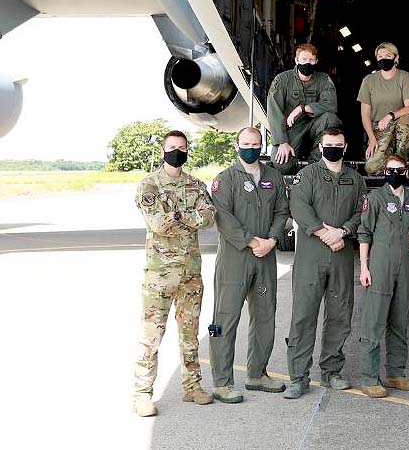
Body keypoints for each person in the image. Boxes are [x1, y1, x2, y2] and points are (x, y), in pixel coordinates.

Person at [132, 131, 217, 417]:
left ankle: (192, 387)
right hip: (160, 276)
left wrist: (179, 216)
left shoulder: (195, 184)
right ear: (163, 152)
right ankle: (143, 393)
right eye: (172, 147)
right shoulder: (149, 185)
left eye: (182, 147)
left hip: (190, 274)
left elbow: (208, 217)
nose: (177, 151)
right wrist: (187, 216)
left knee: (190, 335)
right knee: (151, 336)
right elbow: (158, 224)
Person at [208, 127, 290, 403]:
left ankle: (257, 373)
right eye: (246, 143)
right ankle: (222, 382)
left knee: (265, 315)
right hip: (235, 258)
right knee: (224, 318)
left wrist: (272, 239)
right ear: (237, 146)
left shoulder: (273, 177)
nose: (251, 148)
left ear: (262, 146)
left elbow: (282, 212)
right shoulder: (225, 179)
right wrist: (251, 241)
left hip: (265, 257)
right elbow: (223, 218)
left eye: (256, 144)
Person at [285, 128, 367, 399]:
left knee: (340, 315)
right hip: (311, 255)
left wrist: (342, 232)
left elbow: (361, 213)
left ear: (346, 148)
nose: (333, 148)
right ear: (320, 147)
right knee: (303, 316)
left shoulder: (355, 180)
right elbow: (298, 206)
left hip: (341, 256)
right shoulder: (306, 176)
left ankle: (331, 370)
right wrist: (325, 233)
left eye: (338, 145)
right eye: (328, 145)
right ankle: (298, 376)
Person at [357, 154, 409, 398]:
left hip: (405, 266)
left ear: (406, 172)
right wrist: (364, 267)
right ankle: (369, 377)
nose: (395, 174)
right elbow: (364, 233)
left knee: (399, 320)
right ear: (384, 171)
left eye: (399, 170)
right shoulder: (375, 198)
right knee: (374, 321)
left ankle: (395, 373)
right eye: (390, 170)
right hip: (380, 264)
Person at [268, 43, 340, 173]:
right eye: (304, 60)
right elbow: (274, 112)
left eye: (311, 60)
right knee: (281, 165)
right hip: (291, 128)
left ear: (316, 61)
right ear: (296, 60)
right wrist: (282, 142)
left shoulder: (323, 79)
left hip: (315, 124)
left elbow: (331, 105)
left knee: (330, 118)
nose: (308, 63)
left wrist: (302, 108)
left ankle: (314, 165)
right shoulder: (282, 79)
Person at [357, 41, 409, 175]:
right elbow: (365, 114)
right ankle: (388, 154)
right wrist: (372, 139)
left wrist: (390, 115)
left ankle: (401, 160)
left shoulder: (405, 77)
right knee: (372, 168)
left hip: (399, 122)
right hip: (379, 127)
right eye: (380, 56)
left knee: (408, 124)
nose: (383, 58)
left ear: (396, 58)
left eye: (388, 55)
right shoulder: (369, 80)